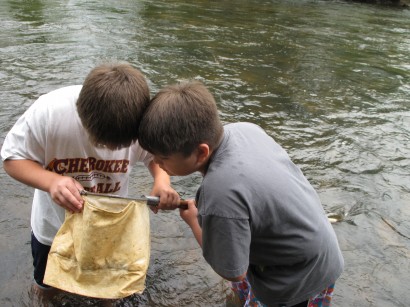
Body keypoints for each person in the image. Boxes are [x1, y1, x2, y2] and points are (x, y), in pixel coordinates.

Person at [138, 81, 344, 307]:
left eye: (163, 158)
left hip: (297, 281)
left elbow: (232, 271)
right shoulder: (245, 129)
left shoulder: (220, 193)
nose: (156, 163)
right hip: (318, 247)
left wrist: (193, 221)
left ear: (200, 153)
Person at [1, 62, 181, 295]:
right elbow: (11, 159)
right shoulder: (49, 113)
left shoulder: (141, 122)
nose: (107, 149)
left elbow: (156, 158)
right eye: (101, 142)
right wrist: (51, 181)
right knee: (46, 287)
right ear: (82, 114)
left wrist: (162, 181)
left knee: (110, 287)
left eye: (117, 146)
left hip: (110, 227)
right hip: (54, 227)